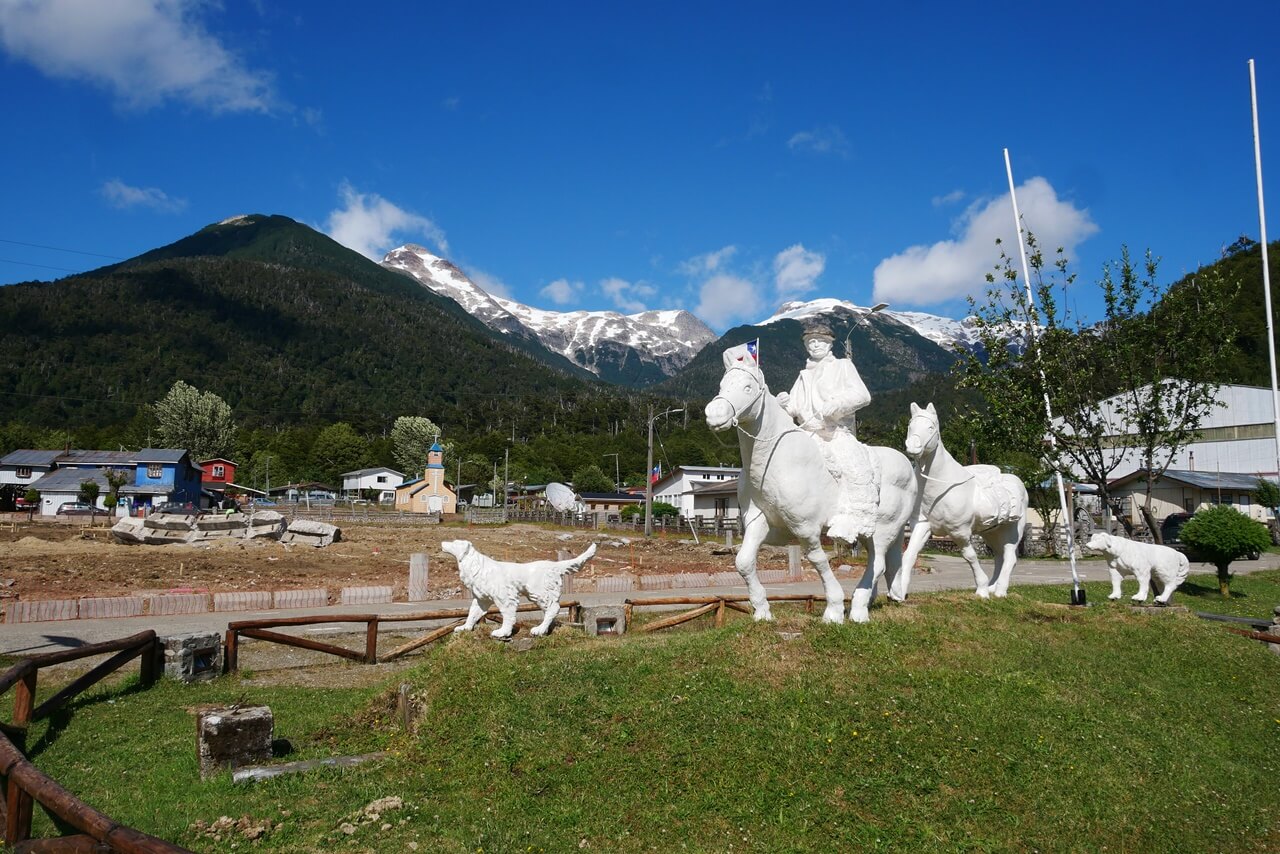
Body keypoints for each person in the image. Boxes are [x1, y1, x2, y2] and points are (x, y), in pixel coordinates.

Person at [777, 320, 879, 541]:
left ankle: (854, 518)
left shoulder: (842, 366)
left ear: (829, 344)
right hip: (808, 432)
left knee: (852, 466)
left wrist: (838, 403)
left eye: (820, 341)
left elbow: (863, 395)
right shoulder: (803, 374)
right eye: (810, 342)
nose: (815, 345)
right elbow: (794, 408)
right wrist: (784, 403)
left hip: (836, 431)